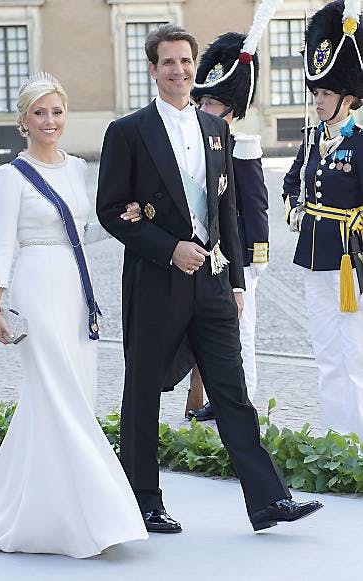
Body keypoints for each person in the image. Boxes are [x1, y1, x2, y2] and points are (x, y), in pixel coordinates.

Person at [97, 23, 322, 534]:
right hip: (156, 281)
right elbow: (110, 210)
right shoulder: (128, 132)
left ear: (195, 67)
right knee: (142, 394)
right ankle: (143, 502)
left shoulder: (216, 130)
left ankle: (269, 501)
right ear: (152, 70)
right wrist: (169, 248)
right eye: (168, 62)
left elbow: (228, 210)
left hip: (215, 283)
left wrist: (238, 281)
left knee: (232, 392)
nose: (179, 70)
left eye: (185, 61)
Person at [0, 73, 148, 557]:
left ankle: (51, 512)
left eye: (56, 112)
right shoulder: (10, 177)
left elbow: (83, 232)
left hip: (76, 291)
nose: (49, 121)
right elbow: (2, 244)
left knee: (69, 396)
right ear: (23, 120)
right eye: (40, 113)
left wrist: (127, 220)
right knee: (61, 398)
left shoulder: (77, 169)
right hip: (36, 287)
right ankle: (100, 514)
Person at [283, 0, 363, 439]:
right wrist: (294, 203)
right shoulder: (314, 139)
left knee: (355, 354)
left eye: (326, 94)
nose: (318, 100)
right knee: (326, 352)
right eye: (316, 93)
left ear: (347, 98)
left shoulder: (362, 143)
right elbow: (294, 179)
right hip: (312, 255)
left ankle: (360, 439)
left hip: (351, 259)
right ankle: (336, 437)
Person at [185, 29, 270, 422]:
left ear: (232, 109)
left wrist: (255, 259)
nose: (203, 108)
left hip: (240, 257)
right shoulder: (197, 143)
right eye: (201, 100)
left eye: (213, 103)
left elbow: (255, 206)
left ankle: (245, 401)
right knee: (215, 334)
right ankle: (220, 400)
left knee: (242, 332)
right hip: (208, 254)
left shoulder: (243, 146)